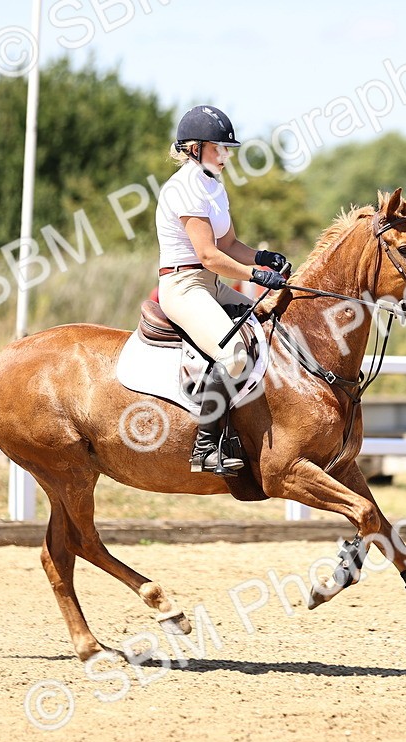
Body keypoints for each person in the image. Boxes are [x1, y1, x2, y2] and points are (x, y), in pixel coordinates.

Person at [155, 105, 290, 475]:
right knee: (233, 354)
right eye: (220, 148)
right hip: (183, 286)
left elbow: (229, 244)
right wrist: (255, 275)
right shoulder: (184, 188)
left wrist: (264, 257)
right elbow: (208, 255)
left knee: (272, 321)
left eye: (228, 148)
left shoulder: (213, 184)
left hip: (211, 284)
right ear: (195, 148)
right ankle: (204, 448)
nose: (227, 155)